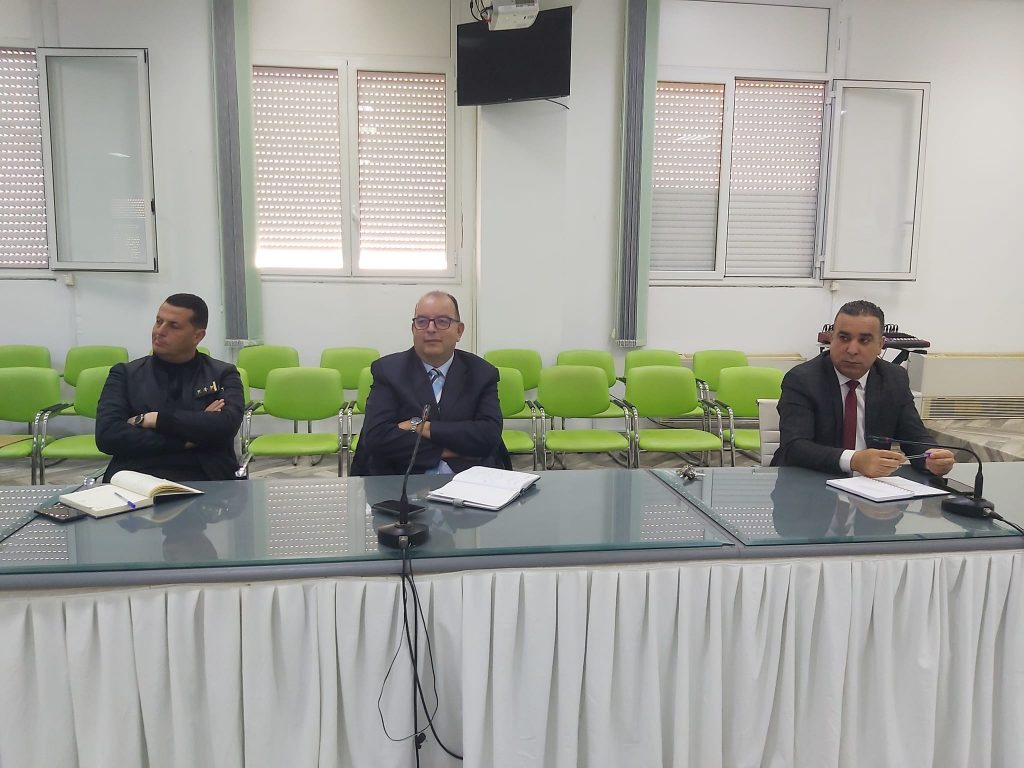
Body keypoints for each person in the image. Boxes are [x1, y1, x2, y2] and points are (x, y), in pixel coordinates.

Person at [772, 300, 955, 479]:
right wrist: (854, 460)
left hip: (870, 488)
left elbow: (914, 436)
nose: (852, 349)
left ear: (881, 345)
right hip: (809, 483)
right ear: (832, 338)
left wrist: (931, 457)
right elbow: (794, 447)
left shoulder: (893, 379)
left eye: (864, 340)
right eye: (844, 338)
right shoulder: (802, 380)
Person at [350, 291, 508, 476]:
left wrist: (420, 426)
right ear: (413, 329)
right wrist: (448, 450)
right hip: (403, 477)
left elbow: (488, 436)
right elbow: (378, 438)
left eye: (442, 321)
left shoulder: (482, 373)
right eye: (422, 321)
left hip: (468, 476)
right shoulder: (388, 371)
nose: (431, 329)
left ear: (459, 331)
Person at [95, 293, 244, 482]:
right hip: (136, 476)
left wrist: (155, 419)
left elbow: (225, 425)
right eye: (158, 321)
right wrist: (186, 439)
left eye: (173, 326)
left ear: (197, 336)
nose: (160, 331)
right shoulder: (125, 374)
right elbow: (108, 435)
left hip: (207, 476)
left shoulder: (222, 374)